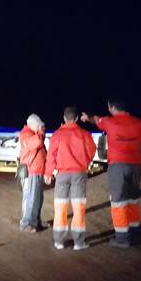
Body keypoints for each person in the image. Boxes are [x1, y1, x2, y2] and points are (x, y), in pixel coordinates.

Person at [81, 97, 141, 249]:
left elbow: (96, 120)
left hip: (118, 165)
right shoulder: (138, 122)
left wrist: (87, 118)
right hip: (136, 164)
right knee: (133, 199)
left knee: (118, 201)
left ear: (112, 108)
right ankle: (135, 232)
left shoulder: (109, 122)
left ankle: (122, 237)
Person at [44, 107, 96, 251]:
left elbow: (51, 156)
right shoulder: (85, 134)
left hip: (62, 175)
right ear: (77, 118)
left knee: (60, 207)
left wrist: (48, 173)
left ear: (64, 118)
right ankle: (79, 243)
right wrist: (85, 162)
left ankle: (59, 241)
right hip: (79, 174)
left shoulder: (57, 135)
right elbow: (92, 151)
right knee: (78, 208)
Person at [18, 114, 47, 233]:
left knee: (37, 198)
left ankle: (35, 222)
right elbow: (36, 143)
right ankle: (26, 223)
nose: (41, 128)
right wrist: (41, 133)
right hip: (31, 171)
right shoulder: (26, 134)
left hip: (38, 170)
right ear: (33, 125)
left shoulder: (34, 133)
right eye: (39, 126)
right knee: (30, 198)